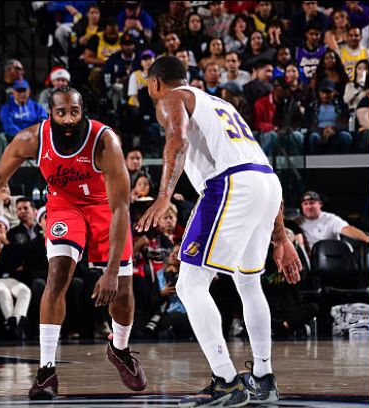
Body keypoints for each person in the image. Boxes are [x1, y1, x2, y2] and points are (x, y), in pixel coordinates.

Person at [0, 86, 147, 396]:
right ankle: (46, 370)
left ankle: (120, 348)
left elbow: (121, 208)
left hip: (105, 206)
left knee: (123, 293)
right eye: (61, 112)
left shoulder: (105, 141)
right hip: (64, 205)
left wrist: (111, 271)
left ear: (83, 112)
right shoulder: (31, 139)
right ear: (50, 114)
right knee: (56, 276)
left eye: (74, 112)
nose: (68, 119)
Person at [138, 56, 302, 406]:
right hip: (266, 184)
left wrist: (164, 195)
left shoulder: (172, 98)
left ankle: (226, 381)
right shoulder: (220, 103)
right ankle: (263, 379)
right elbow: (260, 166)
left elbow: (176, 140)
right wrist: (280, 237)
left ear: (155, 83)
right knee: (248, 282)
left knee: (189, 284)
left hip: (229, 184)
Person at [295, 191, 369, 252]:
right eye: (305, 204)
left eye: (312, 203)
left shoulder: (330, 219)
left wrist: (366, 238)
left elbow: (347, 229)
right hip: (307, 259)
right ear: (302, 206)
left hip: (330, 257)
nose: (309, 206)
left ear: (320, 204)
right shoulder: (296, 222)